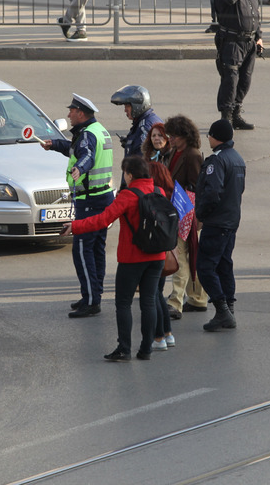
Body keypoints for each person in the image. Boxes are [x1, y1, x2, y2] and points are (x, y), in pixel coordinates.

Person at [62, 156, 167, 361]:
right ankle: (146, 349)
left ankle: (124, 349)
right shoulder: (158, 191)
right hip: (157, 255)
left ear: (130, 174)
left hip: (132, 258)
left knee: (124, 304)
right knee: (148, 302)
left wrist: (74, 226)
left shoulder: (128, 196)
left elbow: (103, 220)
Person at [41, 94, 115, 318]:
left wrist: (80, 169)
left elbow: (86, 156)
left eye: (71, 111)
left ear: (80, 113)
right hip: (103, 198)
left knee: (82, 251)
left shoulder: (86, 137)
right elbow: (76, 150)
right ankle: (93, 295)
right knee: (96, 249)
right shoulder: (98, 130)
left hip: (90, 201)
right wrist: (54, 144)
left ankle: (91, 301)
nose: (68, 114)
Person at [196, 119, 246, 332]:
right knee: (224, 265)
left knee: (205, 267)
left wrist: (201, 214)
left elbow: (212, 192)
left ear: (216, 137)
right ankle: (229, 308)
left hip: (216, 222)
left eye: (209, 134)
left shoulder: (216, 161)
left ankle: (222, 310)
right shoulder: (238, 158)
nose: (207, 137)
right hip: (231, 220)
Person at [162, 115, 208, 318]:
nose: (170, 138)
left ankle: (175, 302)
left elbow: (198, 188)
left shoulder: (192, 155)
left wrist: (198, 218)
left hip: (187, 214)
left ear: (185, 136)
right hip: (179, 212)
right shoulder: (175, 152)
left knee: (181, 256)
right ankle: (198, 300)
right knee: (192, 255)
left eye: (174, 135)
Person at [212, 0, 262, 130]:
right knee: (230, 80)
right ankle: (226, 118)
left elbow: (255, 14)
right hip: (232, 41)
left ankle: (236, 114)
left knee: (244, 81)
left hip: (249, 42)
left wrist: (259, 36)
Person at [145, 159, 176, 351]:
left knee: (152, 294)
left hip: (152, 252)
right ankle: (167, 333)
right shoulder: (166, 194)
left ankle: (158, 338)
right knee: (158, 293)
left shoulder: (151, 195)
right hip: (165, 250)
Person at [114, 85, 164, 167]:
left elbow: (141, 161)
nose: (125, 110)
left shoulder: (144, 126)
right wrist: (129, 143)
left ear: (137, 105)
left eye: (128, 106)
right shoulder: (147, 120)